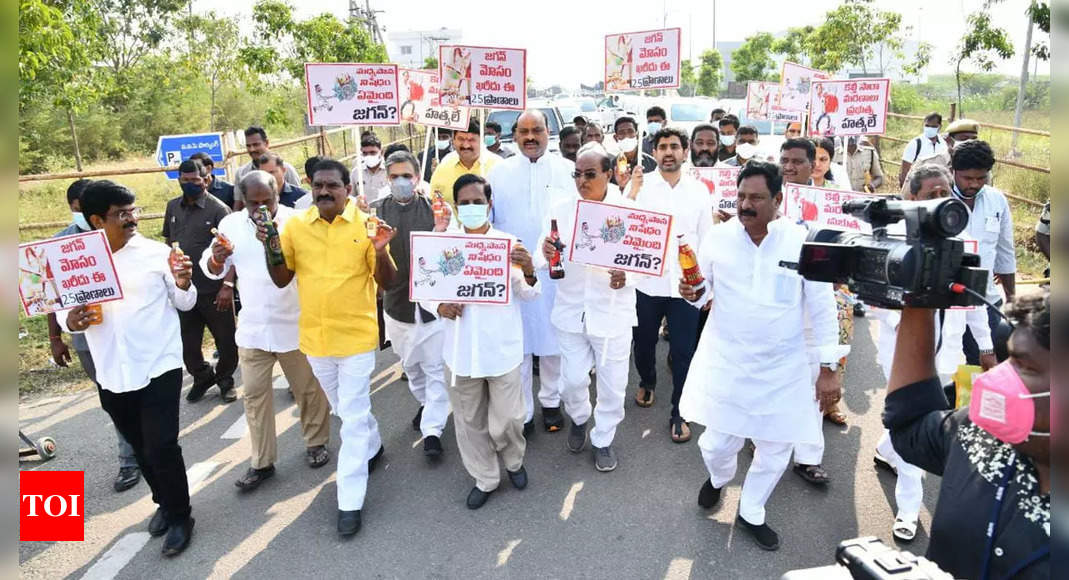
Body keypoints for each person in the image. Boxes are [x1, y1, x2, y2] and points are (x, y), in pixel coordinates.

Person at [678, 161, 841, 551]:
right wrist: (692, 294)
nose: (745, 205)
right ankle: (718, 479)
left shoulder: (802, 242)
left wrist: (828, 367)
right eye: (741, 196)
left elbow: (822, 308)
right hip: (727, 361)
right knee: (715, 445)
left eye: (756, 198)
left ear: (778, 200)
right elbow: (702, 293)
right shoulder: (718, 238)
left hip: (783, 367)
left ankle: (752, 509)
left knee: (775, 448)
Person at [257, 158, 397, 537]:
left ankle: (349, 499)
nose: (323, 192)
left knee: (350, 419)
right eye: (317, 186)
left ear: (346, 189)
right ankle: (374, 443)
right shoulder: (296, 226)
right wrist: (271, 245)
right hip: (316, 340)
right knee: (346, 410)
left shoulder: (367, 225)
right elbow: (282, 277)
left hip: (355, 339)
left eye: (332, 186)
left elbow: (388, 282)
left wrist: (381, 251)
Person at [61, 180, 198, 556]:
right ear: (96, 220)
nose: (132, 219)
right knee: (139, 446)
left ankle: (182, 516)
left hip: (158, 365)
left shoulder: (156, 255)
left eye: (134, 210)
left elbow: (185, 302)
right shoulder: (78, 260)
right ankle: (164, 503)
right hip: (111, 371)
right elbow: (62, 313)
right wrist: (72, 320)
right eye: (122, 214)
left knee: (162, 445)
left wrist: (185, 282)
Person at [883, 291, 1050, 579]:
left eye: (1025, 366)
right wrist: (919, 303)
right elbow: (910, 427)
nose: (992, 379)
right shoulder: (979, 435)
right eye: (1009, 359)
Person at [871, 163, 996, 542]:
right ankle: (901, 484)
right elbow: (878, 302)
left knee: (920, 424)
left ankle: (896, 474)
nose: (943, 201)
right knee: (910, 421)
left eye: (946, 193)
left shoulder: (965, 239)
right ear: (912, 201)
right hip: (901, 359)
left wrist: (987, 347)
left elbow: (974, 301)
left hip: (948, 360)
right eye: (932, 195)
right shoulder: (891, 243)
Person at [199, 170, 332, 490]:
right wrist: (217, 261)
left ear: (278, 195)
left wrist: (274, 243)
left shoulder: (298, 221)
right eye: (253, 203)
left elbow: (315, 265)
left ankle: (316, 443)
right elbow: (211, 267)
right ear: (242, 201)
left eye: (267, 201)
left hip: (295, 324)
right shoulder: (230, 225)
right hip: (254, 329)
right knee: (255, 398)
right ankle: (262, 462)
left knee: (308, 392)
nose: (261, 209)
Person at [426, 174, 539, 509]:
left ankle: (514, 461)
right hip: (460, 352)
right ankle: (486, 478)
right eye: (465, 203)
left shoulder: (508, 244)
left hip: (502, 350)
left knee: (508, 420)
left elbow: (528, 294)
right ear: (456, 207)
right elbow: (425, 290)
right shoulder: (443, 244)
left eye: (478, 202)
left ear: (489, 205)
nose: (472, 208)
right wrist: (439, 306)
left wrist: (530, 269)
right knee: (469, 422)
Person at [535, 144, 636, 471]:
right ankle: (579, 417)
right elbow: (540, 257)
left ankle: (603, 438)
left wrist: (627, 275)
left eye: (590, 174)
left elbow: (649, 263)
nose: (582, 180)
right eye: (577, 174)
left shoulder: (629, 210)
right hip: (570, 311)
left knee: (612, 385)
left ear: (608, 174)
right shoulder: (562, 210)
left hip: (612, 313)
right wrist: (547, 250)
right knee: (572, 381)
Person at [47, 179, 140, 493]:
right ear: (77, 209)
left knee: (142, 396)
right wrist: (56, 337)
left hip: (129, 337)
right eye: (79, 207)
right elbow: (53, 298)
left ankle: (142, 452)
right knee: (113, 397)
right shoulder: (61, 247)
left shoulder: (127, 241)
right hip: (89, 341)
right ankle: (132, 458)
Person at [488, 109, 574, 433]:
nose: (530, 138)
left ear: (548, 131)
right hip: (516, 272)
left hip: (555, 273)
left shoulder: (567, 170)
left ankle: (551, 402)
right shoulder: (498, 173)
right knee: (520, 347)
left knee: (554, 344)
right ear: (515, 135)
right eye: (523, 132)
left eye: (536, 130)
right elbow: (489, 219)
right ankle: (523, 412)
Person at [632, 127, 713, 442]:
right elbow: (624, 226)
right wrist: (630, 191)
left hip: (686, 286)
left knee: (683, 351)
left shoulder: (699, 190)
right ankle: (647, 381)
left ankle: (679, 410)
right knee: (643, 344)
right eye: (662, 146)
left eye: (674, 147)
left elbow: (707, 239)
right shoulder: (641, 186)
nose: (668, 152)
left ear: (685, 152)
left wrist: (708, 288)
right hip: (645, 283)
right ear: (654, 152)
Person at [371, 151, 451, 458]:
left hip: (431, 308)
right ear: (387, 180)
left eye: (407, 176)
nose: (401, 182)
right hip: (396, 307)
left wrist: (442, 229)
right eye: (394, 177)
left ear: (417, 178)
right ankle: (428, 405)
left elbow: (449, 256)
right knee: (411, 368)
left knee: (434, 370)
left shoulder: (436, 211)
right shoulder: (375, 214)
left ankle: (433, 431)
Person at [162, 159, 237, 404]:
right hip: (185, 291)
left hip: (214, 290)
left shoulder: (219, 210)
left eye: (195, 180)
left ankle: (225, 380)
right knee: (188, 346)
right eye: (185, 181)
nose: (190, 185)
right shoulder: (172, 207)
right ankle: (203, 376)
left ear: (206, 179)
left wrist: (227, 286)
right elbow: (168, 243)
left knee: (226, 342)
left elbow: (232, 254)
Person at [952, 140, 1016, 366]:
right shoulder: (938, 201)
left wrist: (1012, 298)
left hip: (984, 299)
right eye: (967, 178)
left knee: (984, 364)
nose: (974, 184)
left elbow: (1005, 251)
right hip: (944, 303)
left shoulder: (997, 200)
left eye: (981, 178)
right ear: (954, 171)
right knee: (939, 366)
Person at [429, 119, 499, 206]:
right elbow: (433, 202)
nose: (466, 145)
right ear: (453, 141)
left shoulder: (498, 167)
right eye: (461, 139)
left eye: (471, 140)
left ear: (481, 140)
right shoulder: (444, 166)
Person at [234, 126, 302, 210]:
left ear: (266, 143)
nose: (252, 149)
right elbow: (239, 203)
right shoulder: (242, 173)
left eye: (256, 145)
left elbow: (298, 197)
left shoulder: (286, 169)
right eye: (248, 146)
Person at [898, 112, 947, 187]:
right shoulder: (915, 144)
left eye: (933, 126)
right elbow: (904, 171)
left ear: (939, 127)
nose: (929, 129)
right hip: (919, 187)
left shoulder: (944, 144)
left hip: (939, 186)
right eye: (927, 126)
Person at [610, 116, 656, 192]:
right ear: (616, 137)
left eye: (630, 131)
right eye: (621, 133)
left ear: (637, 135)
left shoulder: (651, 163)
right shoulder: (612, 167)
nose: (627, 136)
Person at [353, 132, 389, 204]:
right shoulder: (356, 173)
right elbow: (351, 197)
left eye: (373, 152)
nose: (368, 156)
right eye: (365, 153)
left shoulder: (390, 171)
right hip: (364, 214)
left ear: (381, 152)